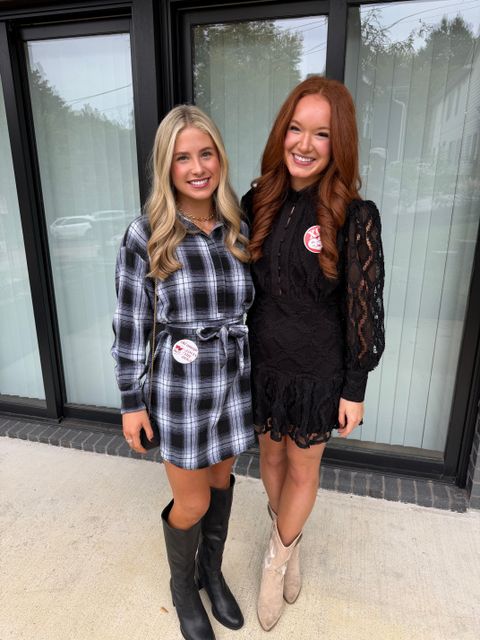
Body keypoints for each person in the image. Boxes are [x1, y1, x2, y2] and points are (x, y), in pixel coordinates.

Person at [242, 76, 385, 631]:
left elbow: (363, 307)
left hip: (319, 369)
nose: (304, 144)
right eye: (296, 129)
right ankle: (291, 539)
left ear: (338, 143)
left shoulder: (355, 215)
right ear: (282, 133)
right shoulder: (258, 201)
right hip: (264, 363)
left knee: (303, 467)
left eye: (320, 134)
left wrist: (355, 387)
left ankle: (275, 563)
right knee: (271, 460)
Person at [112, 105, 255, 640]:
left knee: (220, 482)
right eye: (182, 158)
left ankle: (210, 573)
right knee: (192, 500)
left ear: (220, 157)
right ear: (166, 167)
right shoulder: (147, 234)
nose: (197, 168)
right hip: (181, 388)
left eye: (206, 153)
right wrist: (131, 400)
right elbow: (130, 322)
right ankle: (182, 589)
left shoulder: (238, 226)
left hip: (233, 381)